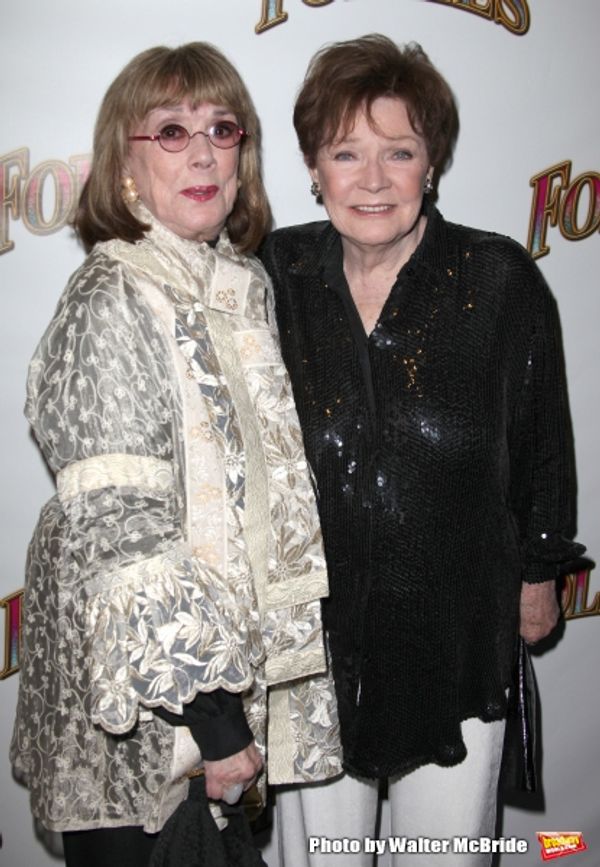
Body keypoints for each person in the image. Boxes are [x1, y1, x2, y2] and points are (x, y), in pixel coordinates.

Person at [10, 42, 341, 867]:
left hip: (224, 692)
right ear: (124, 164)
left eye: (222, 129)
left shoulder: (240, 284)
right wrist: (221, 725)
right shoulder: (111, 296)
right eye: (170, 131)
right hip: (145, 718)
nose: (201, 151)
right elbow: (127, 539)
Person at [260, 34, 587, 866]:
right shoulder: (272, 275)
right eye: (347, 153)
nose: (372, 179)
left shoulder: (498, 278)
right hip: (312, 648)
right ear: (312, 166)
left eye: (398, 152)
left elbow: (543, 440)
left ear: (430, 164)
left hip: (457, 639)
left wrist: (540, 571)